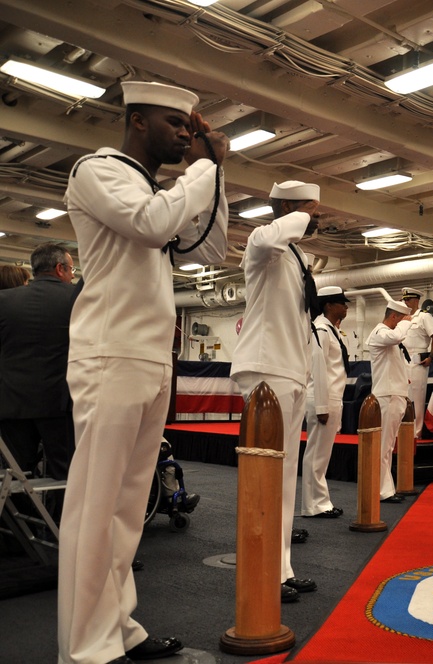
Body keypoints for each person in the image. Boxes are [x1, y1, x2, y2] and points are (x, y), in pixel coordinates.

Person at [60, 80, 229, 663]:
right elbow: (154, 225)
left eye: (191, 125)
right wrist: (203, 169)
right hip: (111, 353)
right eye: (174, 123)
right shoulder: (97, 170)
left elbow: (208, 249)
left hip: (151, 357)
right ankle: (85, 648)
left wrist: (214, 172)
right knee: (96, 505)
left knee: (129, 508)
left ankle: (119, 627)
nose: (186, 132)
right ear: (136, 121)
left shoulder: (154, 189)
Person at [231, 180, 324, 604]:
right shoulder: (263, 243)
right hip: (267, 369)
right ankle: (264, 567)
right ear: (287, 206)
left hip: (291, 371)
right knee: (267, 479)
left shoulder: (297, 255)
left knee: (285, 479)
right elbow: (272, 234)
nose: (316, 215)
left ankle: (280, 566)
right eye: (309, 207)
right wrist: (299, 214)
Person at [0, 243, 77, 524]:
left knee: (15, 475)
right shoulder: (78, 298)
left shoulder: (5, 300)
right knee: (66, 475)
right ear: (60, 268)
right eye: (70, 269)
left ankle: (21, 537)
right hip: (60, 403)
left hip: (11, 403)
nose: (71, 275)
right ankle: (64, 536)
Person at [301, 285, 351, 519]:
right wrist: (321, 406)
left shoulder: (331, 330)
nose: (346, 306)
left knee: (322, 455)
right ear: (329, 305)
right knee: (316, 455)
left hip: (331, 396)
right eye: (342, 302)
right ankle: (314, 505)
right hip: (323, 397)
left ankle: (321, 502)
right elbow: (318, 368)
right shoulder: (320, 329)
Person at [365, 299, 414, 504]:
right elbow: (396, 336)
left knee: (387, 446)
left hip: (395, 394)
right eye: (400, 319)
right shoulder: (379, 333)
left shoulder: (388, 337)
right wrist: (407, 322)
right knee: (384, 447)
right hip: (387, 396)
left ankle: (386, 488)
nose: (402, 324)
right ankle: (382, 491)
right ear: (394, 317)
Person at [400, 287, 433, 436]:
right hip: (403, 358)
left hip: (418, 360)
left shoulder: (424, 317)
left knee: (417, 396)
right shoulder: (403, 318)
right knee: (403, 395)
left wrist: (431, 356)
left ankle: (416, 431)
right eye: (404, 300)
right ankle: (403, 429)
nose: (405, 302)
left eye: (408, 300)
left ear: (416, 301)